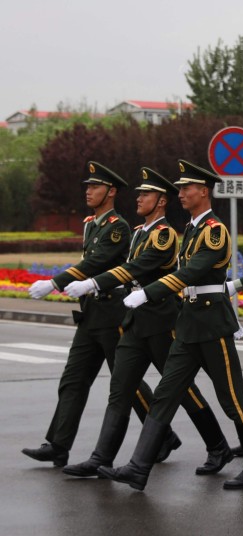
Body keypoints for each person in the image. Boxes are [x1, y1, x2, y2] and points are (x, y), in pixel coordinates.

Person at [99, 159, 243, 491]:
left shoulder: (214, 230)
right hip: (188, 322)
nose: (181, 194)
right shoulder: (190, 229)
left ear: (203, 191)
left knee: (231, 398)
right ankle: (138, 467)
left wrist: (148, 292)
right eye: (180, 189)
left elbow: (191, 273)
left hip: (212, 324)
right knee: (165, 394)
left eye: (186, 188)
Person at [61, 167, 232, 479]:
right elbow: (128, 268)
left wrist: (92, 284)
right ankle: (101, 458)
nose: (139, 198)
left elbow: (138, 267)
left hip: (162, 321)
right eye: (139, 193)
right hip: (135, 321)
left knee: (182, 391)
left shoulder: (164, 234)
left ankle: (218, 445)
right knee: (120, 389)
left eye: (146, 194)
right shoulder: (140, 232)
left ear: (161, 201)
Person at [23, 161, 178, 468]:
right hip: (91, 313)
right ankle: (58, 444)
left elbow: (95, 263)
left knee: (127, 382)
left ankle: (163, 435)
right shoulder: (91, 223)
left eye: (94, 187)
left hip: (112, 313)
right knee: (73, 379)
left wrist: (55, 282)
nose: (88, 192)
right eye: (88, 187)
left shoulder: (118, 227)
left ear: (111, 192)